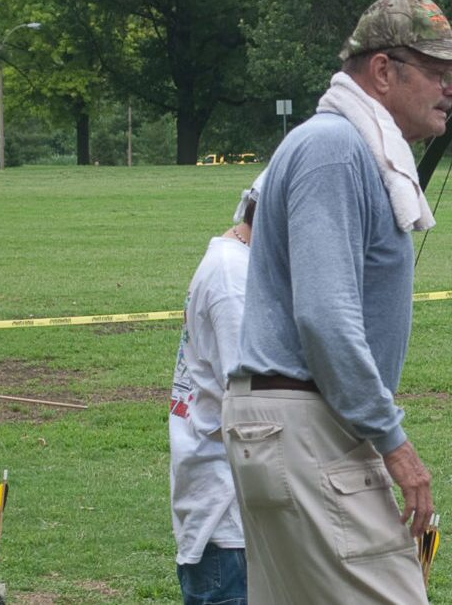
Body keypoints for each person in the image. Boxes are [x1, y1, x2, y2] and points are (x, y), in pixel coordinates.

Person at [224, 0, 452, 603]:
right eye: (438, 73)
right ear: (383, 71)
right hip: (309, 421)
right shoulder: (335, 148)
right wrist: (393, 442)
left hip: (295, 420)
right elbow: (324, 314)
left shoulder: (348, 146)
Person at [168, 173, 265, 605]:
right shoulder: (233, 277)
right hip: (229, 521)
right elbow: (252, 397)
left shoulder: (236, 262)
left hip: (230, 512)